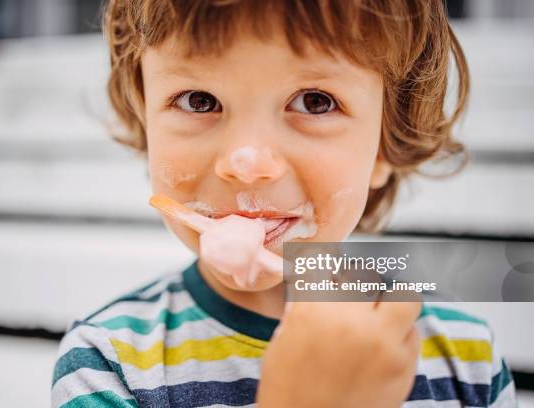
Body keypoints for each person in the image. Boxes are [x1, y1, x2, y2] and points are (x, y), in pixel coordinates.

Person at [51, 1, 517, 406]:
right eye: (199, 100)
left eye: (314, 102)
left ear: (383, 145)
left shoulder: (463, 353)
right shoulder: (107, 361)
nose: (247, 163)